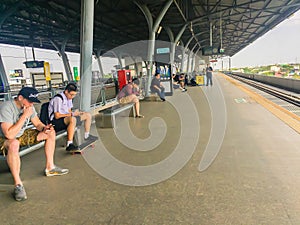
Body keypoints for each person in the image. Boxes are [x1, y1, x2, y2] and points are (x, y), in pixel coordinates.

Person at [0, 87, 69, 201]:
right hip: (3, 138)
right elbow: (9, 135)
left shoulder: (29, 107)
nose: (31, 104)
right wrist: (24, 116)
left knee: (51, 132)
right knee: (14, 144)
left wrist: (44, 128)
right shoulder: (6, 107)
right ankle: (18, 185)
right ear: (20, 98)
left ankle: (50, 167)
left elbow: (37, 123)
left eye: (33, 102)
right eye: (29, 101)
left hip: (20, 134)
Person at [48, 82, 96, 152]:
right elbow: (57, 116)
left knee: (87, 115)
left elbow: (69, 111)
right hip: (56, 122)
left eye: (74, 95)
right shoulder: (58, 99)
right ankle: (69, 144)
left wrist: (77, 113)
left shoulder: (69, 98)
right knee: (72, 119)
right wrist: (72, 114)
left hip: (66, 118)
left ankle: (87, 135)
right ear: (66, 91)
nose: (72, 97)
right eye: (71, 94)